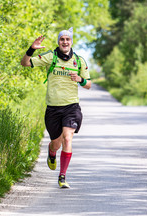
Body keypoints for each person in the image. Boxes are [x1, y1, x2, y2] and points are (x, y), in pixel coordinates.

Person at [20, 27, 91, 188]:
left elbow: (89, 84)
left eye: (68, 39)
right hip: (53, 109)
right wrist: (31, 49)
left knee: (68, 138)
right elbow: (25, 63)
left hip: (71, 107)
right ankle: (51, 152)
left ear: (71, 41)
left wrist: (80, 79)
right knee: (56, 143)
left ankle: (62, 176)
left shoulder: (79, 61)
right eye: (62, 39)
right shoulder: (50, 57)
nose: (65, 42)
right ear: (58, 42)